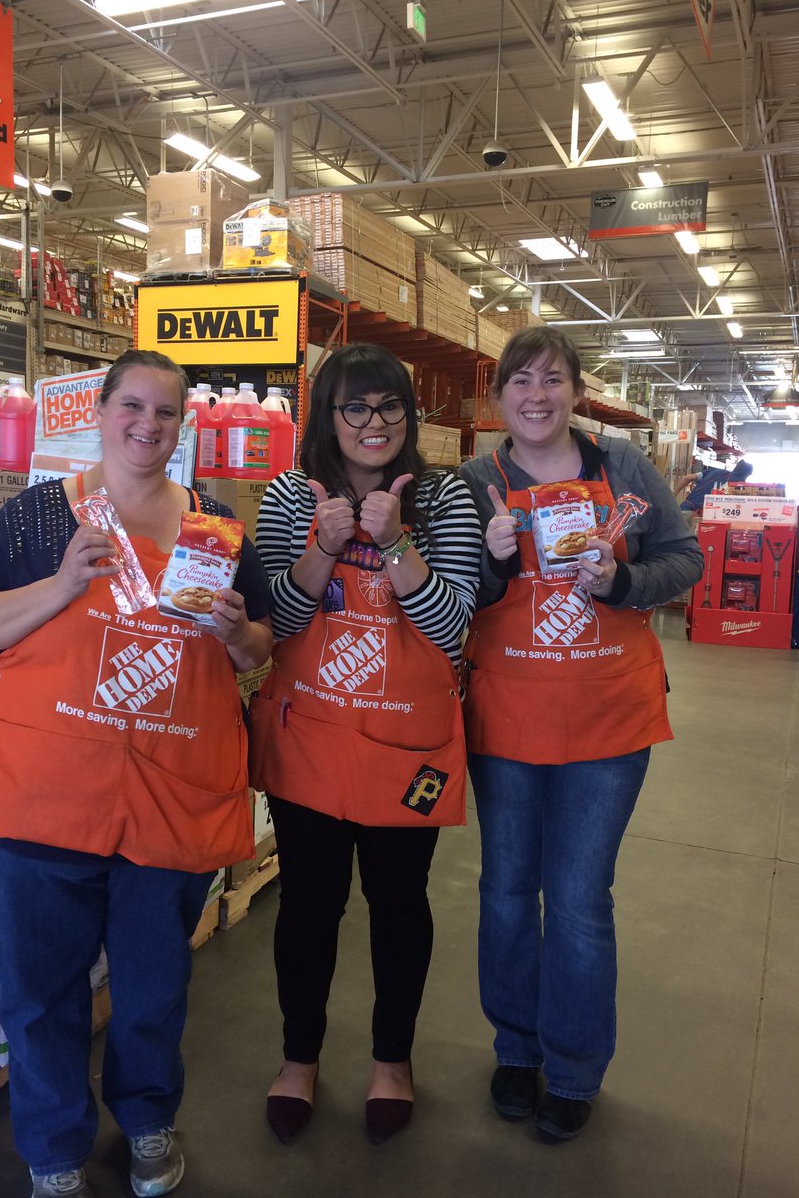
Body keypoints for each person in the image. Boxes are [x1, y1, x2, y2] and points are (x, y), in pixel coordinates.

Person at [0, 349, 273, 1198]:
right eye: (132, 406)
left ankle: (148, 1121)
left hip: (169, 799)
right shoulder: (33, 523)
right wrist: (59, 588)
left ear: (182, 426)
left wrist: (239, 634)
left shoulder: (217, 528)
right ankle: (55, 1153)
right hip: (38, 801)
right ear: (98, 412)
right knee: (41, 993)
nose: (147, 425)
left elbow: (260, 646)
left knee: (153, 989)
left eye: (165, 413)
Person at [458, 326, 703, 1144]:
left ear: (576, 392)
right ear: (500, 399)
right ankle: (514, 1048)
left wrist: (621, 579)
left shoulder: (623, 469)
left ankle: (572, 1068)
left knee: (575, 902)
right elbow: (451, 597)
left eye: (552, 380)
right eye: (520, 382)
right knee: (502, 894)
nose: (537, 396)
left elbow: (685, 558)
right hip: (508, 721)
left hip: (608, 718)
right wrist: (491, 560)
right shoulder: (473, 482)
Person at [250, 343, 482, 1145]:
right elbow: (269, 628)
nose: (374, 424)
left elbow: (454, 630)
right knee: (310, 905)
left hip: (405, 749)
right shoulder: (287, 495)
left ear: (408, 418)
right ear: (328, 417)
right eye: (355, 407)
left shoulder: (445, 497)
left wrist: (395, 544)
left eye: (389, 407)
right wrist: (321, 545)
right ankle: (299, 1058)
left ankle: (392, 1061)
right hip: (310, 737)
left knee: (398, 904)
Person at [678, 458, 753, 511]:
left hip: (684, 509)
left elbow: (688, 478)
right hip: (704, 517)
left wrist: (673, 494)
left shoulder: (715, 471)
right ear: (747, 474)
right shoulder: (739, 487)